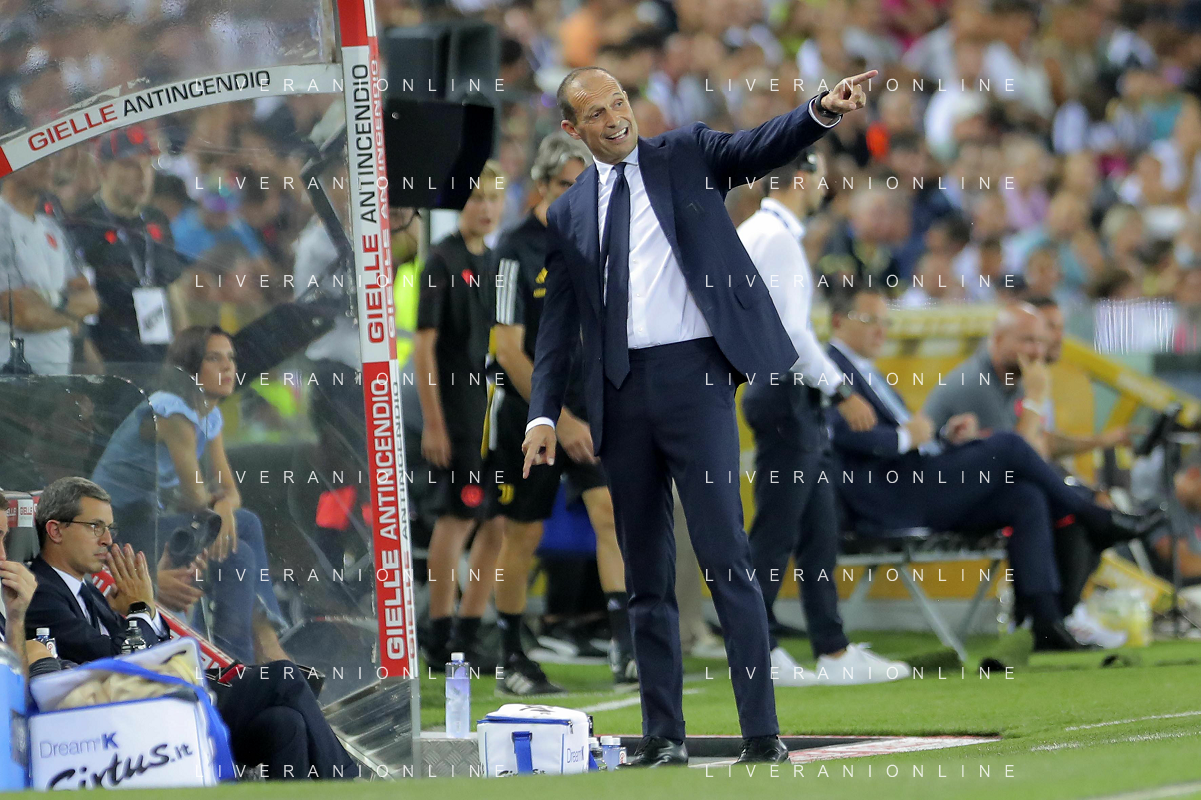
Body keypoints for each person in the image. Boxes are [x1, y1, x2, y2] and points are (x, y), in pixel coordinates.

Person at [522, 64, 877, 766]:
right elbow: (558, 327)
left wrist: (821, 110)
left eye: (619, 102)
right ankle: (662, 737)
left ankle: (761, 734)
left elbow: (758, 146)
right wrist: (541, 416)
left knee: (725, 556)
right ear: (571, 129)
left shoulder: (684, 153)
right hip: (618, 393)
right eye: (596, 113)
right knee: (645, 575)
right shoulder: (567, 212)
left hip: (696, 380)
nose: (615, 118)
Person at [824, 286, 1163, 652]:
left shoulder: (864, 370)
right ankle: (1094, 516)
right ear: (838, 322)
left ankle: (1046, 622)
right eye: (870, 320)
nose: (881, 330)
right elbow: (840, 434)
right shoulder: (829, 371)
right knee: (1008, 445)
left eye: (885, 321)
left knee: (1025, 497)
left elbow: (1032, 451)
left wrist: (943, 436)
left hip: (913, 479)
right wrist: (907, 437)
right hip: (888, 497)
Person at [24, 477, 357, 780]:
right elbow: (124, 662)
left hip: (161, 701)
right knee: (283, 676)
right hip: (130, 723)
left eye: (110, 528)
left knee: (285, 723)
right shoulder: (40, 593)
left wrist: (146, 609)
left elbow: (151, 647)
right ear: (55, 531)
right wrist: (140, 608)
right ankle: (347, 781)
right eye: (95, 527)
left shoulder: (88, 591)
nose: (108, 540)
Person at [736, 149, 911, 686]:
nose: (825, 186)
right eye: (820, 176)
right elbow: (792, 335)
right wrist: (841, 390)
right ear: (802, 176)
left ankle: (832, 651)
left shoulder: (759, 231)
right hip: (786, 395)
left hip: (780, 394)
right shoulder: (777, 237)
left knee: (817, 531)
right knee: (776, 533)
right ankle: (756, 651)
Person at [488, 132, 635, 694]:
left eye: (584, 185)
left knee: (611, 514)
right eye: (564, 184)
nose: (576, 195)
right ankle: (510, 657)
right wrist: (557, 418)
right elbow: (507, 350)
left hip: (587, 409)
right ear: (541, 186)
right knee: (522, 535)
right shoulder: (513, 251)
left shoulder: (593, 242)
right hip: (528, 417)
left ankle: (626, 646)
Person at [90, 325, 288, 664]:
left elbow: (229, 492)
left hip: (154, 519)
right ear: (190, 368)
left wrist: (222, 505)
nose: (228, 367)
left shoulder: (209, 415)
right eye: (214, 358)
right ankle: (257, 651)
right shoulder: (172, 411)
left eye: (231, 358)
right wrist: (220, 506)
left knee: (241, 546)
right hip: (119, 528)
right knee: (242, 535)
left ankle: (239, 660)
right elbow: (196, 496)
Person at [415, 162, 507, 668]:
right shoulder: (441, 261)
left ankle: (469, 633)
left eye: (494, 198)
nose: (486, 208)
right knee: (457, 519)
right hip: (458, 414)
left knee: (497, 523)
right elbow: (423, 348)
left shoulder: (495, 261)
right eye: (476, 198)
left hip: (494, 414)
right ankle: (439, 633)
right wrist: (434, 422)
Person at [68, 125, 188, 367]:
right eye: (129, 165)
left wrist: (183, 355)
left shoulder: (157, 220)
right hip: (110, 358)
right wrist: (95, 369)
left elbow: (173, 292)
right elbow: (76, 308)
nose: (142, 175)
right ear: (103, 170)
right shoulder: (83, 225)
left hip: (158, 357)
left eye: (147, 165)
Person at [0, 157, 99, 374]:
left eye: (50, 158)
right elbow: (20, 312)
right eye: (37, 159)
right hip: (11, 378)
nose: (49, 164)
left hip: (56, 377)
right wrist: (70, 312)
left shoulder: (52, 228)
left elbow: (91, 299)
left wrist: (49, 302)